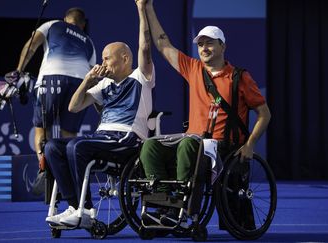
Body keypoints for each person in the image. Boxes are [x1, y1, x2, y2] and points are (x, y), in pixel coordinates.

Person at [139, 0, 271, 224]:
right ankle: (162, 205)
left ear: (223, 47)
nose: (204, 48)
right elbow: (163, 44)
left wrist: (249, 144)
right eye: (200, 44)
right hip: (193, 142)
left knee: (189, 144)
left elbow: (264, 113)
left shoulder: (239, 77)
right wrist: (146, 7)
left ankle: (181, 209)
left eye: (209, 43)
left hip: (223, 147)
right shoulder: (193, 69)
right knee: (150, 146)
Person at [44, 0, 155, 228]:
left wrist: (141, 9)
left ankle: (84, 209)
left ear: (125, 58)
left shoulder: (140, 77)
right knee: (52, 147)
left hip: (127, 139)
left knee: (77, 146)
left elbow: (144, 46)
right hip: (104, 139)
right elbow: (74, 107)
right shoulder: (103, 85)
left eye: (106, 58)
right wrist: (87, 80)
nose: (102, 63)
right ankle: (76, 206)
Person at [14, 7, 96, 176]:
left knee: (43, 129)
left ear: (65, 18)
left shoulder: (53, 24)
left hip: (51, 78)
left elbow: (31, 46)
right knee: (69, 134)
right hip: (79, 82)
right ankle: (66, 176)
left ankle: (45, 172)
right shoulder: (89, 42)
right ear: (82, 25)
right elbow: (92, 74)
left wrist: (18, 71)